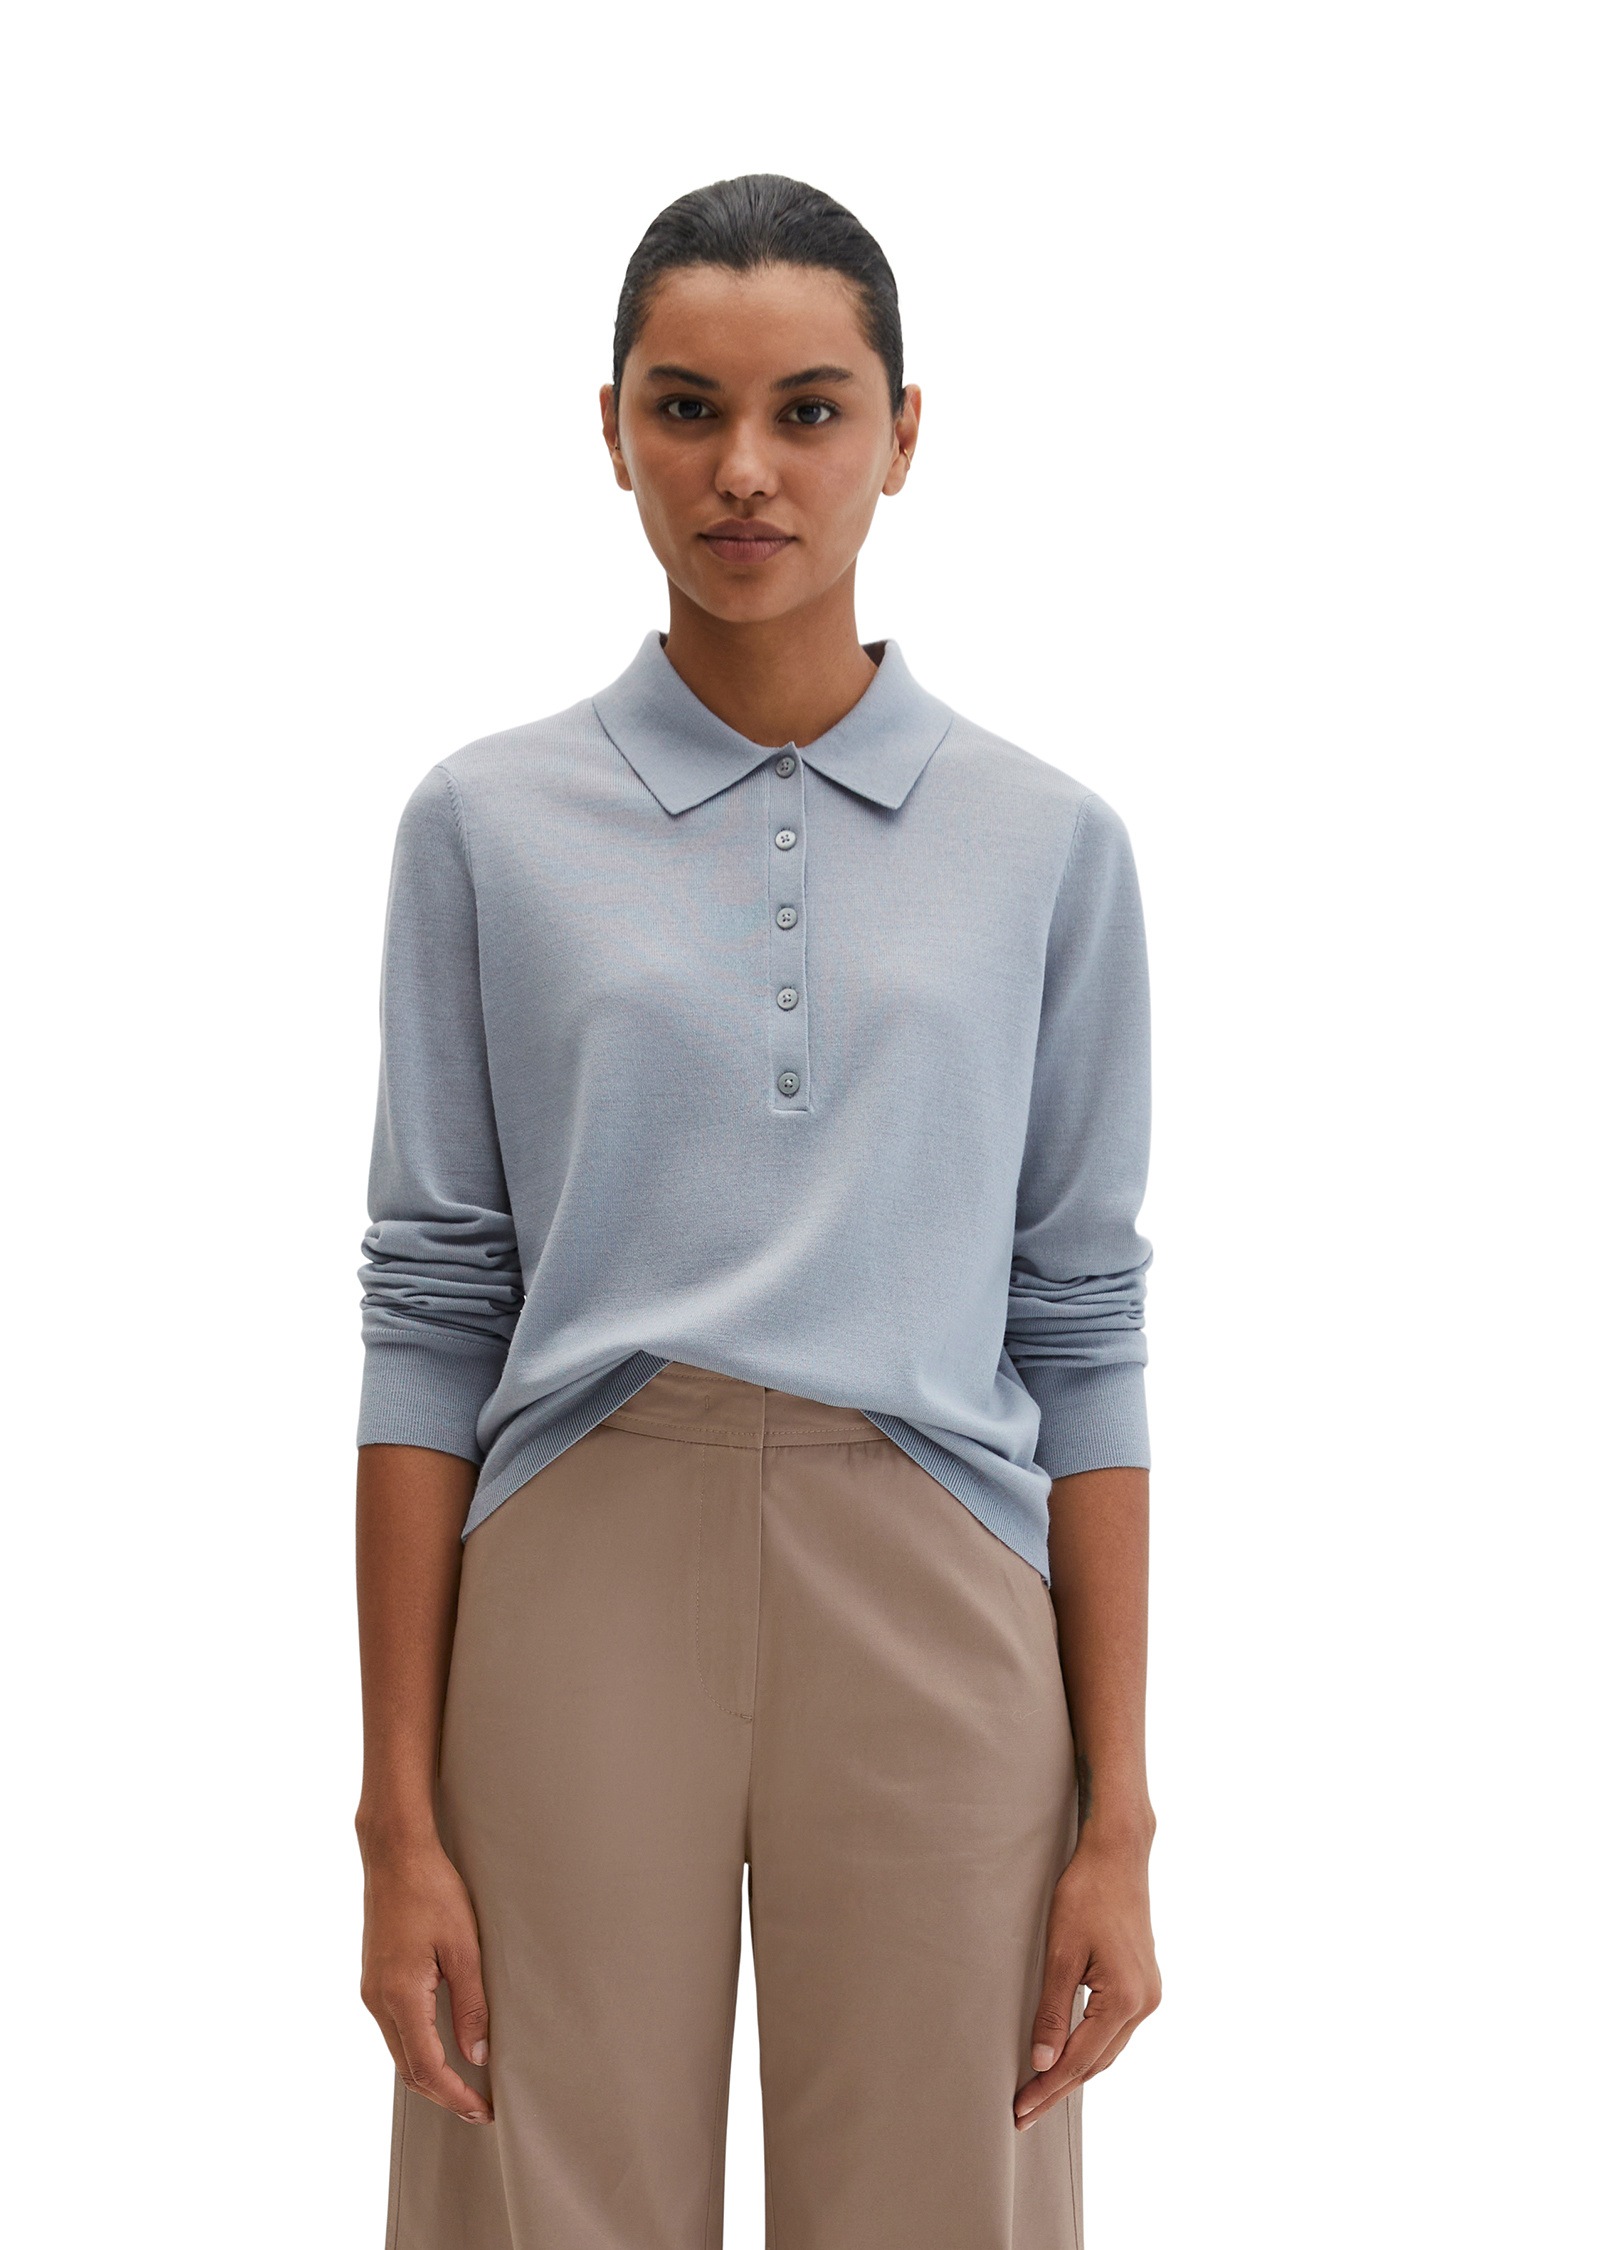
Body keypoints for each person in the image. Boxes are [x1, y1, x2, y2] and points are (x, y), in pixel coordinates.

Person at [353, 172, 1161, 2250]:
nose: (743, 469)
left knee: (942, 2197)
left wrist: (1122, 1819)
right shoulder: (483, 823)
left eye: (809, 410)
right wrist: (393, 1818)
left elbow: (1080, 1321)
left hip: (937, 1568)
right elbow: (431, 1307)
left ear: (903, 432)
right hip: (577, 1551)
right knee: (536, 2194)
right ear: (610, 428)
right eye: (685, 407)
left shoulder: (1047, 844)